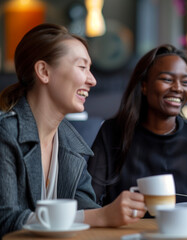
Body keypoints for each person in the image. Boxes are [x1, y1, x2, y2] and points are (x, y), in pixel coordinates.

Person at [0, 23, 146, 237]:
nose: (92, 80)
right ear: (43, 71)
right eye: (82, 67)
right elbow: (6, 221)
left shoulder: (72, 146)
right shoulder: (6, 135)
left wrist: (115, 214)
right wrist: (102, 217)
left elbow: (85, 210)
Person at [87, 44, 187, 207]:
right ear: (144, 85)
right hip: (125, 231)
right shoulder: (113, 133)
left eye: (186, 82)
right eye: (167, 79)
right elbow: (90, 203)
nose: (178, 88)